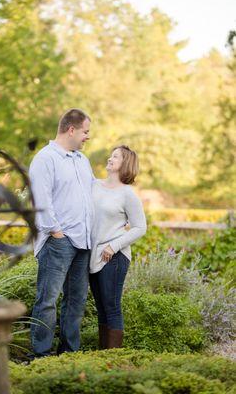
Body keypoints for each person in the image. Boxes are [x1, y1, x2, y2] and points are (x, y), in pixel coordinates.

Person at [29, 108, 93, 357]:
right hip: (59, 242)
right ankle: (41, 356)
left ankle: (68, 355)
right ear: (71, 129)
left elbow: (90, 194)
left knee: (76, 303)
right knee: (47, 301)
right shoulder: (46, 159)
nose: (87, 137)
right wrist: (56, 233)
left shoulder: (82, 160)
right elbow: (40, 200)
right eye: (86, 132)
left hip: (83, 242)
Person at [89, 145, 147, 349]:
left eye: (116, 156)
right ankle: (102, 356)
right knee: (101, 308)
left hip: (114, 256)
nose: (110, 158)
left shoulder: (127, 194)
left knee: (111, 307)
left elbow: (140, 227)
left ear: (126, 164)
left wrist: (113, 246)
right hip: (93, 255)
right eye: (111, 154)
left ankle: (112, 359)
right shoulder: (94, 185)